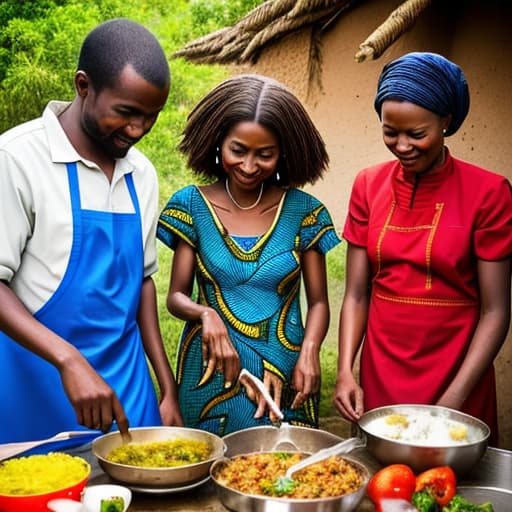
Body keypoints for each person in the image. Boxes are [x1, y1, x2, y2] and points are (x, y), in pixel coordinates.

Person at [0, 18, 183, 444]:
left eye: (151, 117)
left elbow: (142, 282)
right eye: (126, 113)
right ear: (83, 86)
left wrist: (165, 383)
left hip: (129, 400)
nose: (138, 130)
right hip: (37, 397)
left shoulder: (142, 173)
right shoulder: (17, 160)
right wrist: (69, 361)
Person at [333, 52, 512, 446]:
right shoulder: (368, 185)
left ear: (447, 121)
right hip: (382, 367)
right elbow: (357, 293)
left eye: (417, 134)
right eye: (389, 132)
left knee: (456, 494)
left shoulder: (489, 193)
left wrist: (454, 401)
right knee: (382, 486)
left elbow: (496, 310)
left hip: (457, 370)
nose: (401, 146)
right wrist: (346, 369)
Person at [157, 74, 341, 435]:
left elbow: (318, 302)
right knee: (205, 468)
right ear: (218, 144)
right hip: (210, 369)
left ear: (283, 152)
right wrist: (205, 313)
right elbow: (175, 296)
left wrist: (310, 351)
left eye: (265, 154)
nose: (249, 165)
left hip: (287, 370)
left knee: (287, 472)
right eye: (238, 150)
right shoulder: (191, 206)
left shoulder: (304, 213)